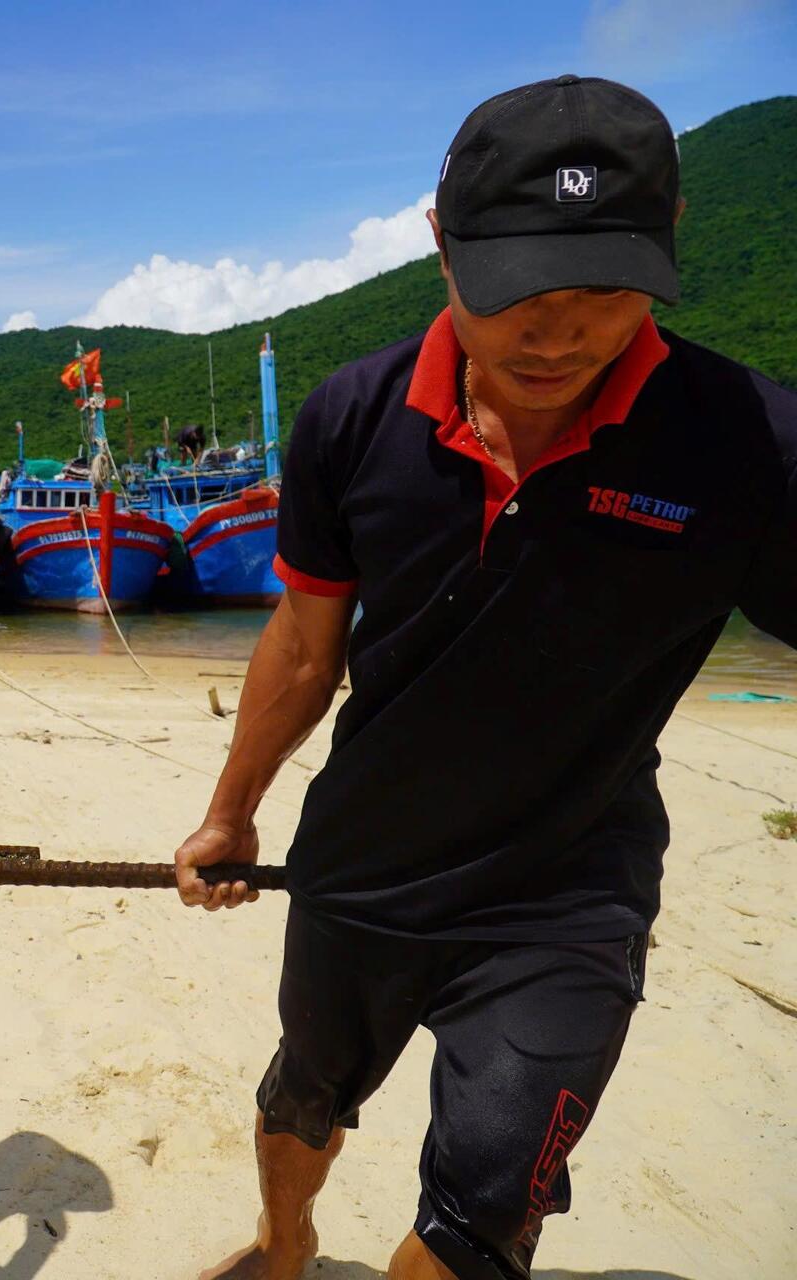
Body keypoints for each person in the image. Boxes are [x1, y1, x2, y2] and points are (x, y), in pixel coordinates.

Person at [177, 77, 797, 1280]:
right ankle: (283, 1238)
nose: (559, 334)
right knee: (307, 1093)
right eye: (519, 292)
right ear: (442, 246)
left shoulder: (745, 444)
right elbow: (307, 646)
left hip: (569, 890)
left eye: (606, 292)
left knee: (485, 1204)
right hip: (363, 862)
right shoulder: (351, 417)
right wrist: (231, 807)